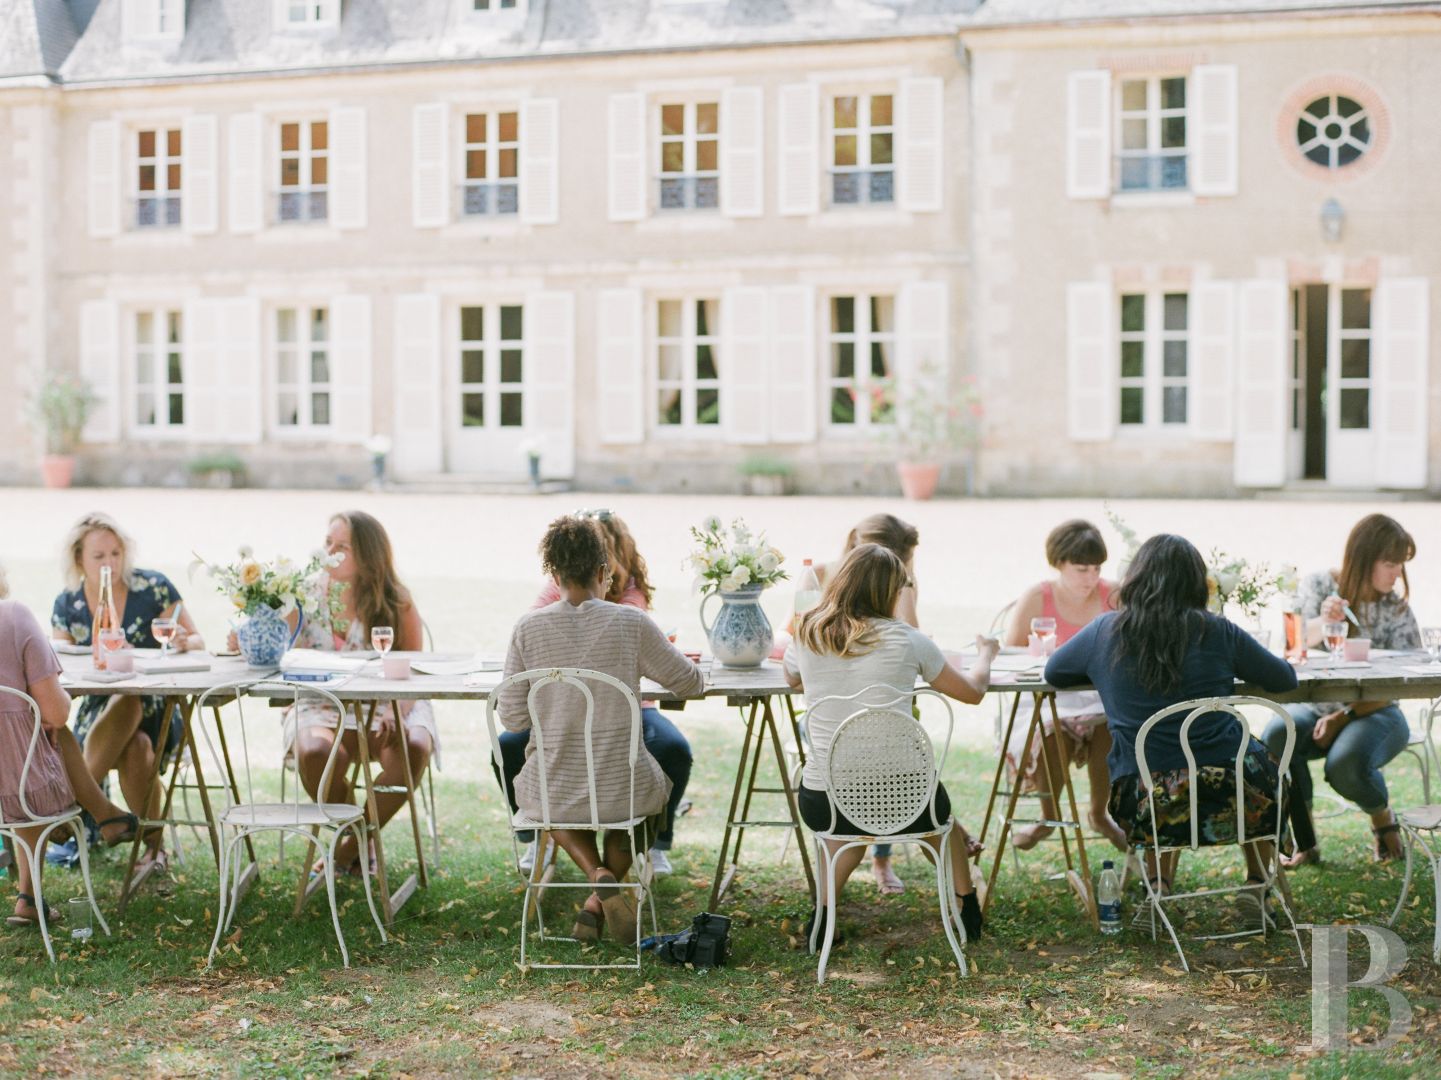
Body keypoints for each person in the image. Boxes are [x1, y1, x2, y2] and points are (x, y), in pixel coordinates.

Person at [1045, 535, 1298, 902]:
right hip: (1235, 791)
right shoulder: (1216, 630)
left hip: (1147, 798)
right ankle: (1258, 883)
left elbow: (1054, 671)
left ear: (1136, 579)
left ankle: (1159, 884)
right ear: (1196, 583)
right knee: (1256, 766)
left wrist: (1102, 671)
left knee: (1162, 767)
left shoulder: (1106, 630)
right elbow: (1284, 679)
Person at [496, 515, 704, 945]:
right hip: (621, 787)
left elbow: (512, 720)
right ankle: (599, 893)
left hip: (554, 788)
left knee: (546, 800)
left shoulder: (527, 628)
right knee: (655, 800)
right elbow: (689, 683)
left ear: (553, 574)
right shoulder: (632, 623)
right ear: (603, 572)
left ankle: (597, 880)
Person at [783, 543, 996, 945]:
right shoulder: (908, 640)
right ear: (890, 591)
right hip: (906, 798)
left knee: (844, 837)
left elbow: (789, 679)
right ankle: (966, 908)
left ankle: (823, 916)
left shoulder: (808, 631)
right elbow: (972, 692)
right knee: (944, 826)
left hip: (825, 799)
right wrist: (985, 654)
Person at [1262, 514, 1419, 867]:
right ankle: (1306, 841)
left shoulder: (1395, 609)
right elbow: (1294, 646)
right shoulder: (1321, 586)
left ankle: (1382, 816)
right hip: (1316, 707)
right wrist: (1325, 620)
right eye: (1390, 564)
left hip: (1379, 712)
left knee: (1345, 764)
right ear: (1364, 560)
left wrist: (1343, 716)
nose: (1397, 574)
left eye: (1400, 565)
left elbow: (1407, 683)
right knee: (1276, 735)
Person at [288, 511, 438, 877]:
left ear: (368, 555)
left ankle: (347, 851)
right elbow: (284, 651)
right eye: (328, 543)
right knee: (315, 752)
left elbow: (412, 671)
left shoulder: (396, 600)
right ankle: (359, 842)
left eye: (342, 547)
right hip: (321, 701)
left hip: (389, 699)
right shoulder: (302, 594)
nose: (330, 552)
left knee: (413, 746)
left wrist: (395, 713)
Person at [50, 512, 203, 871]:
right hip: (98, 712)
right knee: (136, 746)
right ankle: (153, 850)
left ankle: (72, 808)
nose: (110, 563)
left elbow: (197, 639)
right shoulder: (68, 602)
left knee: (132, 704)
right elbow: (60, 665)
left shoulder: (153, 587)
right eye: (99, 556)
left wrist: (183, 640)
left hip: (158, 708)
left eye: (115, 554)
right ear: (79, 560)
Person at [785, 514, 921, 897]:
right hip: (830, 716)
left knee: (890, 739)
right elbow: (793, 630)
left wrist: (905, 585)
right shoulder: (820, 575)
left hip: (876, 717)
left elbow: (911, 630)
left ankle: (876, 859)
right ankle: (937, 833)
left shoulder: (898, 583)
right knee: (867, 747)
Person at [2, 561, 141, 926]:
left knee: (28, 748)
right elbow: (58, 712)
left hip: (12, 789)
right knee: (47, 738)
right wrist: (50, 710)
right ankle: (98, 813)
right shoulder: (14, 617)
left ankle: (30, 897)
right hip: (21, 792)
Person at [1002, 519, 1127, 851]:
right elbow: (1010, 653)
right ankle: (1049, 816)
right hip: (1048, 696)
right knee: (1050, 731)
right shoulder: (1037, 596)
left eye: (1096, 568)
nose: (1091, 577)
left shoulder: (1113, 595)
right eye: (1081, 569)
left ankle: (1100, 814)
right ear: (1059, 563)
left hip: (1097, 696)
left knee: (1111, 729)